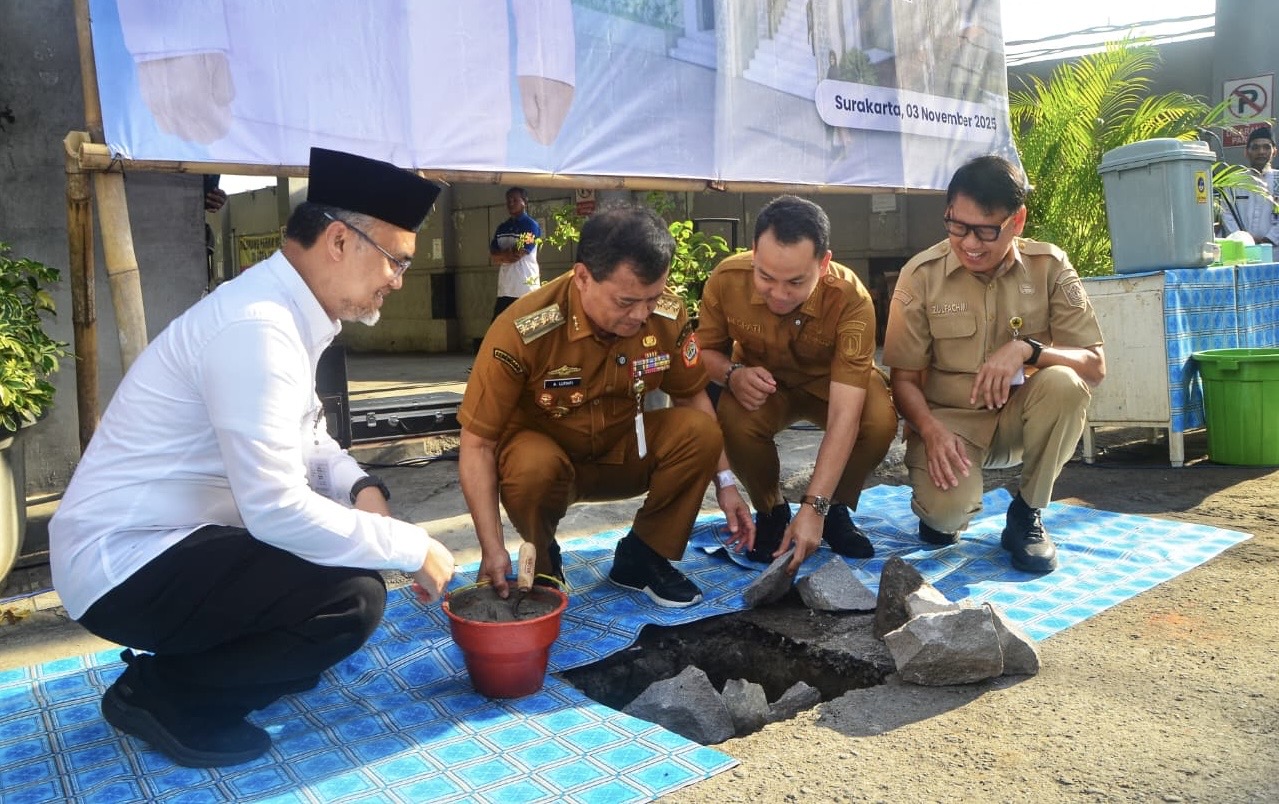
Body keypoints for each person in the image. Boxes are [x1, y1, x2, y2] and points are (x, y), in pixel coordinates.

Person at [49, 147, 455, 768]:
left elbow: (309, 437)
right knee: (352, 597)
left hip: (178, 541)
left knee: (333, 569)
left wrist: (360, 490)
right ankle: (159, 693)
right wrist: (410, 548)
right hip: (126, 561)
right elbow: (275, 511)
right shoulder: (257, 327)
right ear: (341, 242)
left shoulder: (284, 313)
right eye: (396, 260)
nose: (397, 280)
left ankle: (216, 663)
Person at [458, 206, 754, 608]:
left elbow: (691, 396)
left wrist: (727, 484)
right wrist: (492, 548)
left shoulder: (665, 312)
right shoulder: (524, 329)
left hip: (624, 453)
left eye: (651, 299)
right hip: (549, 466)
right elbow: (477, 445)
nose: (640, 315)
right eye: (626, 301)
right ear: (583, 277)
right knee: (530, 466)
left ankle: (643, 556)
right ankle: (544, 562)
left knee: (700, 432)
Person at [883, 154, 1105, 574]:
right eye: (956, 225)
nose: (969, 243)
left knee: (1065, 384)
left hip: (1016, 419)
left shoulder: (1048, 266)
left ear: (1017, 221)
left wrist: (1029, 350)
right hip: (948, 426)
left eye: (986, 230)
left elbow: (1094, 365)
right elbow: (904, 380)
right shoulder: (921, 275)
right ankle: (941, 510)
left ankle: (1026, 514)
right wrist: (930, 432)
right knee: (944, 518)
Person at [697, 195, 898, 573]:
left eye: (795, 282)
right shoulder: (726, 280)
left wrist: (815, 505)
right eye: (766, 277)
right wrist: (732, 374)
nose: (778, 293)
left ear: (823, 264)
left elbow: (844, 415)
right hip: (765, 386)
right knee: (735, 416)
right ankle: (771, 511)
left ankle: (834, 509)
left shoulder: (851, 299)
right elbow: (702, 354)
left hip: (832, 387)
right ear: (754, 251)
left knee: (877, 420)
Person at [488, 187, 542, 319]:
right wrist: (504, 255)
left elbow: (517, 255)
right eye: (508, 200)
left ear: (524, 202)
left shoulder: (531, 226)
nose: (510, 203)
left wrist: (502, 256)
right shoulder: (502, 228)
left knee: (527, 333)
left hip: (525, 288)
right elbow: (493, 257)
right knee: (499, 331)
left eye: (515, 200)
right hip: (505, 289)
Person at [1220, 125, 1279, 245]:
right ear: (1246, 152)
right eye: (1255, 147)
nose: (1261, 152)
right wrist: (1243, 240)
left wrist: (1268, 239)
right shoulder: (1233, 182)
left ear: (1274, 152)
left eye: (1266, 147)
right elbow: (1226, 214)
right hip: (1241, 250)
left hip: (1275, 251)